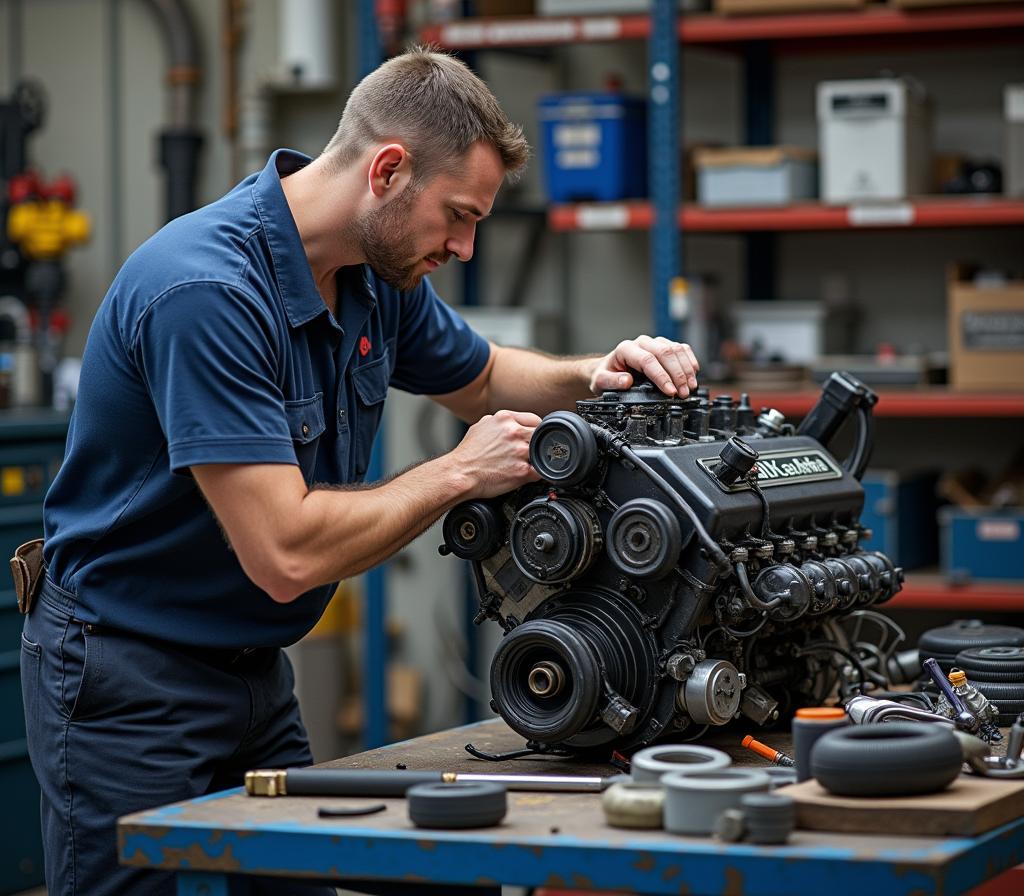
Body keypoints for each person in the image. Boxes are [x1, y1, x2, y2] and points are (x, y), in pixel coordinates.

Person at [19, 47, 700, 896]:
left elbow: (482, 376)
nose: (463, 243)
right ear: (387, 170)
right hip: (125, 676)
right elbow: (286, 553)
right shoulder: (206, 292)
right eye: (456, 215)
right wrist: (457, 474)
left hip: (252, 670)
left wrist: (600, 370)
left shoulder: (372, 277)